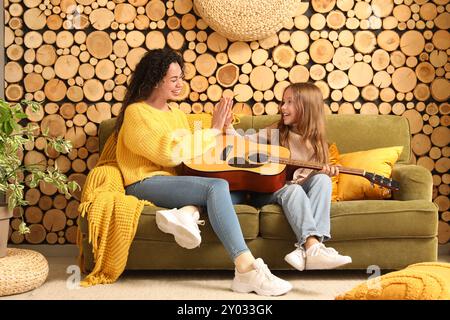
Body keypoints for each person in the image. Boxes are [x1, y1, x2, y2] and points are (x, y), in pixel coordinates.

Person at [115, 47, 292, 296]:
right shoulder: (137, 113)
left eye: (181, 79)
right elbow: (170, 153)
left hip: (174, 181)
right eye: (174, 79)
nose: (180, 85)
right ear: (155, 80)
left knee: (233, 189)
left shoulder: (175, 113)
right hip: (144, 181)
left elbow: (196, 144)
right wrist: (213, 128)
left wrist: (222, 127)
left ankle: (188, 212)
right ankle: (246, 268)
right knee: (216, 187)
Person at [226, 82, 352, 271]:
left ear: (307, 107)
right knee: (292, 189)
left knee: (323, 180)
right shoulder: (275, 131)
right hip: (268, 191)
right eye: (283, 102)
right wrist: (226, 125)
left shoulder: (318, 144)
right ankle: (313, 246)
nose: (282, 107)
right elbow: (243, 143)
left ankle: (308, 249)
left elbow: (307, 183)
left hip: (295, 191)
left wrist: (322, 172)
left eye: (289, 102)